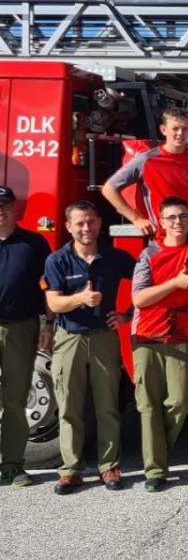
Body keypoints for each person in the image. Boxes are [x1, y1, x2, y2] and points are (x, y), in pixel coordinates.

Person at [42, 201, 136, 494]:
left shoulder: (116, 257)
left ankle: (109, 467)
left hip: (104, 339)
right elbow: (54, 303)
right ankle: (71, 470)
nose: (86, 228)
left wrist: (127, 314)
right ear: (68, 227)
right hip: (68, 339)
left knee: (107, 405)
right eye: (80, 223)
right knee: (69, 407)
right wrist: (80, 300)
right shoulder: (57, 261)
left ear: (99, 224)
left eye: (91, 222)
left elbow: (145, 283)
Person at [130, 197, 188, 492]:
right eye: (172, 218)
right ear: (161, 222)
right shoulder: (149, 254)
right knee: (149, 405)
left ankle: (158, 449)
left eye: (183, 217)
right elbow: (138, 299)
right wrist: (174, 284)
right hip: (147, 337)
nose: (178, 222)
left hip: (182, 336)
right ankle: (155, 470)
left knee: (183, 398)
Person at [0, 185, 52, 487]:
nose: (1, 211)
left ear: (15, 209)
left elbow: (49, 286)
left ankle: (12, 465)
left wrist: (48, 325)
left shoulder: (33, 243)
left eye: (6, 205)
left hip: (21, 327)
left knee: (16, 398)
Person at [102, 105, 188, 238]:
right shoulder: (147, 160)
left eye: (184, 129)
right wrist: (136, 219)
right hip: (162, 238)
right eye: (175, 128)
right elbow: (109, 189)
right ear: (163, 130)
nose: (180, 133)